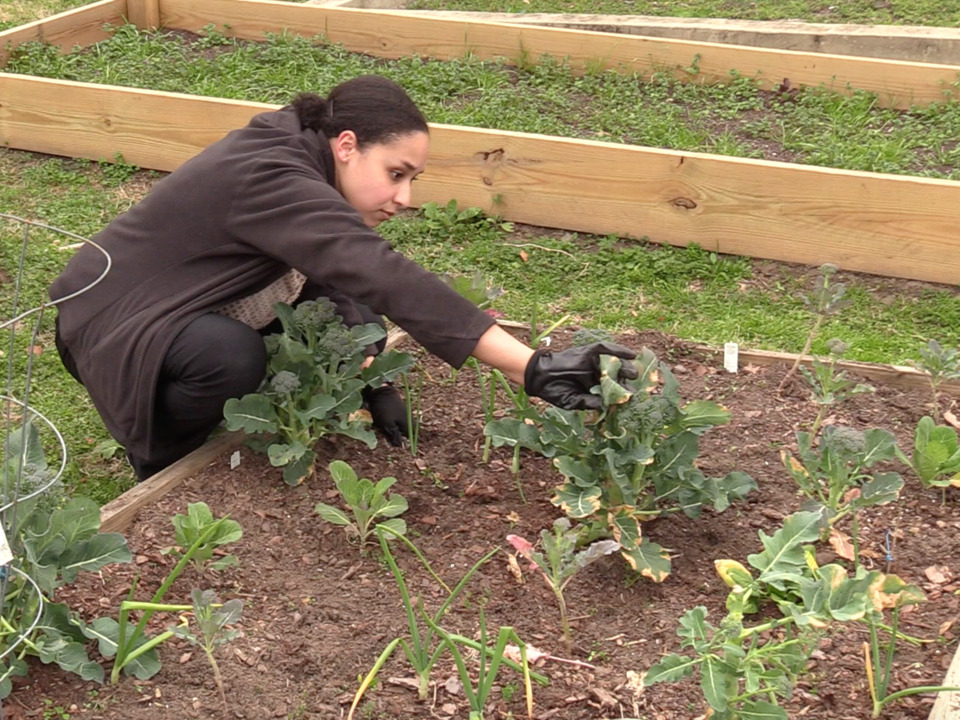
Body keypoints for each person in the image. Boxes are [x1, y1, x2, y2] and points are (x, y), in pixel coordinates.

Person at [50, 75, 637, 481]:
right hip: (114, 331)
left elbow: (346, 282)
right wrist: (530, 366)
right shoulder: (271, 174)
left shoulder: (303, 165)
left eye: (414, 179)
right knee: (227, 358)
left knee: (343, 310)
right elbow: (383, 273)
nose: (405, 197)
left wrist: (375, 386)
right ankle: (163, 463)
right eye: (397, 173)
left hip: (172, 311)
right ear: (348, 145)